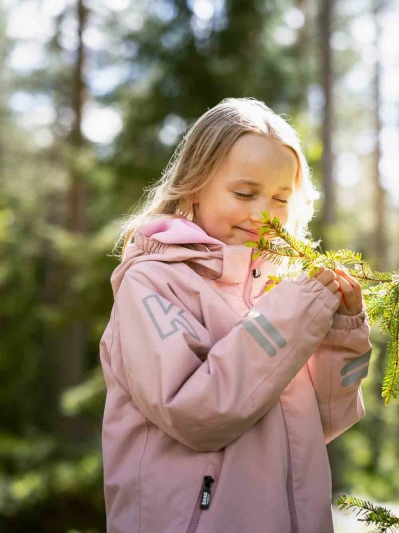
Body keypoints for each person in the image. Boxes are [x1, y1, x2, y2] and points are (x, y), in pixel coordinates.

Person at [98, 97, 372, 533]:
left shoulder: (282, 290)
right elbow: (193, 412)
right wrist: (292, 318)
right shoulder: (152, 283)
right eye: (245, 193)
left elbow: (327, 421)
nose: (265, 214)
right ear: (194, 186)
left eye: (281, 198)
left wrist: (342, 331)